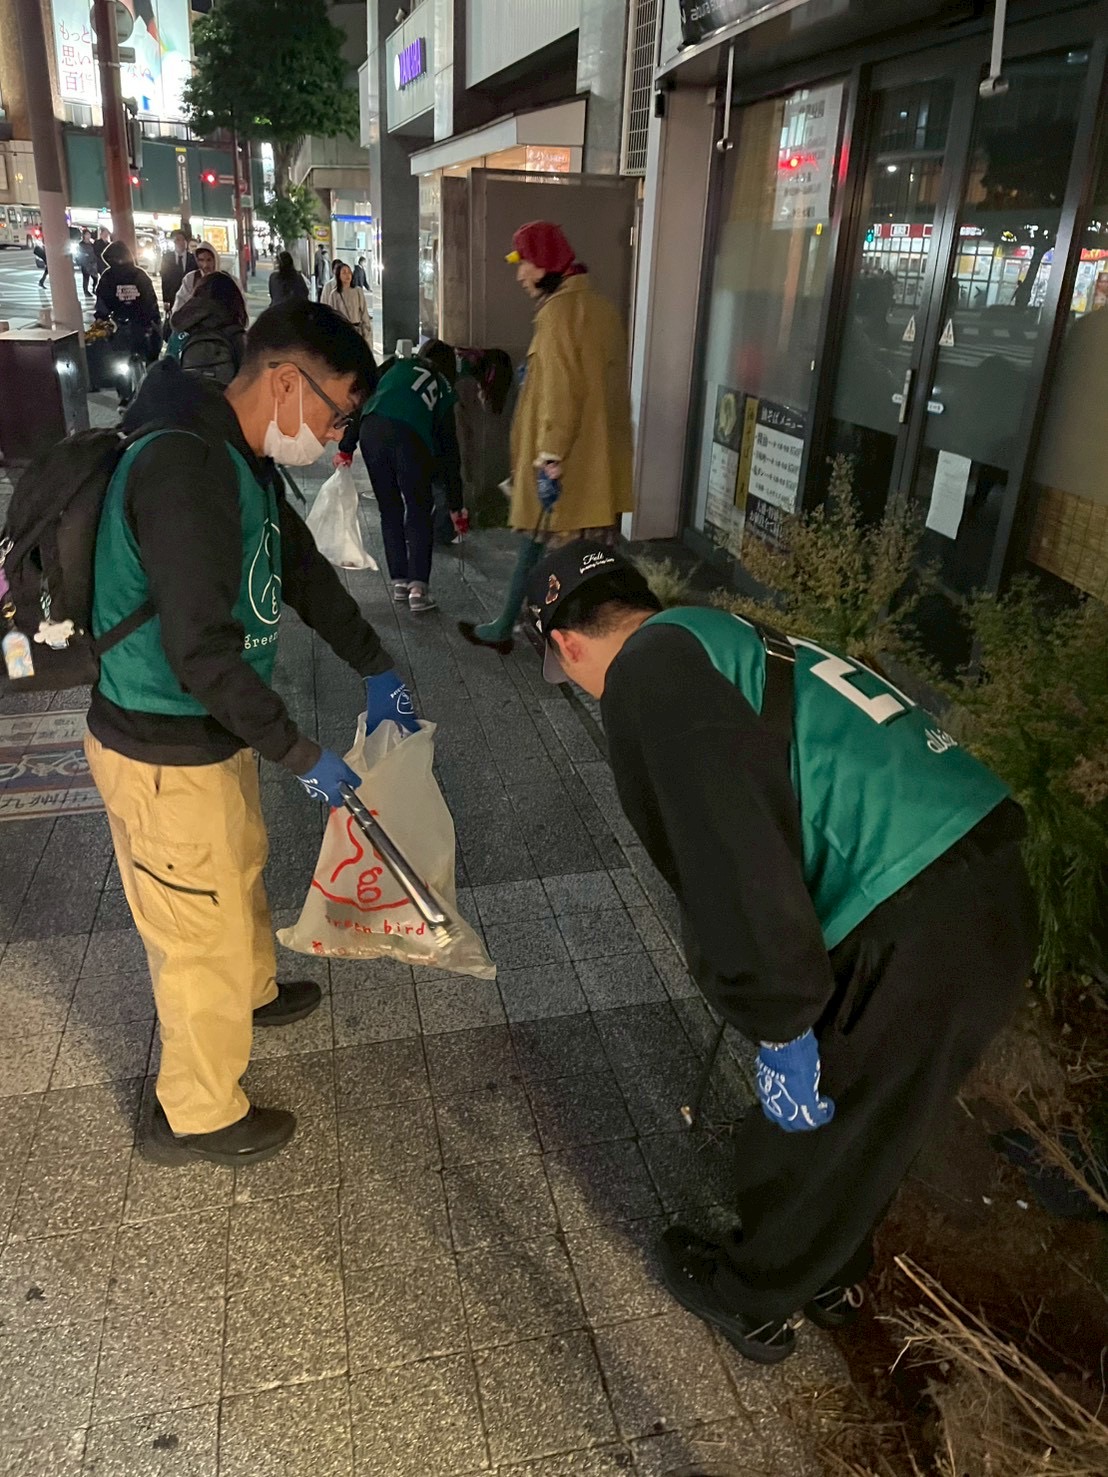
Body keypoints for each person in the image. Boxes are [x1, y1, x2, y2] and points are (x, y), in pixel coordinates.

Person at [524, 542, 1037, 1366]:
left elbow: (728, 856)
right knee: (877, 1110)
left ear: (568, 644)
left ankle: (753, 1294)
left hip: (910, 904)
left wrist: (780, 1017)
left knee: (816, 1119)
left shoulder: (648, 675)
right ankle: (830, 1269)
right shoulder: (721, 633)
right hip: (985, 872)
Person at [86, 300, 418, 1170]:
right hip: (160, 742)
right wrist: (303, 752)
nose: (334, 432)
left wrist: (375, 663)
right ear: (284, 380)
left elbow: (301, 572)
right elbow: (198, 650)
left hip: (212, 733)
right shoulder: (182, 466)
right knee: (193, 929)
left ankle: (255, 989)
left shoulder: (241, 454)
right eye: (336, 411)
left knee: (236, 866)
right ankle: (193, 1115)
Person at [458, 221, 633, 654]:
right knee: (555, 554)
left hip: (565, 469)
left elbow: (561, 393)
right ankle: (507, 627)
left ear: (548, 263)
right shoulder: (603, 310)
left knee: (567, 567)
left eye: (526, 263)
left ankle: (574, 647)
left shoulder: (558, 314)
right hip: (598, 468)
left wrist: (549, 458)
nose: (521, 275)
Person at [334, 339, 464, 613]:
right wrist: (455, 504)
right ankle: (419, 590)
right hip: (411, 439)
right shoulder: (442, 385)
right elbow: (449, 448)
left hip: (372, 432)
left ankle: (399, 583)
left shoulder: (396, 365)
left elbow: (365, 401)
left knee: (389, 510)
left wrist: (346, 447)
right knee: (418, 510)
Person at [93, 240, 162, 404]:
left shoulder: (140, 276)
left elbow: (150, 301)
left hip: (141, 326)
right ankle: (124, 396)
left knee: (151, 361)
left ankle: (152, 392)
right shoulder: (108, 278)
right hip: (121, 328)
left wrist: (152, 322)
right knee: (117, 365)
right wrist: (101, 320)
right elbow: (102, 301)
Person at [167, 271, 249, 385]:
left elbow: (166, 374)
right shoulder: (238, 336)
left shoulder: (181, 330)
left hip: (185, 400)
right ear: (235, 300)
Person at [321, 259, 373, 346]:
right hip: (342, 332)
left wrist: (367, 331)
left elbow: (364, 313)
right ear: (338, 275)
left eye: (349, 272)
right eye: (344, 272)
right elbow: (331, 315)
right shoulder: (334, 294)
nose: (347, 275)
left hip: (357, 331)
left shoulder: (358, 291)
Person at [171, 241, 227, 316]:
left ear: (215, 260)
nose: (205, 265)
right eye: (201, 260)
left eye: (209, 260)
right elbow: (179, 305)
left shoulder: (226, 280)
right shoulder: (190, 279)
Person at [159, 228, 198, 315]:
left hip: (189, 296)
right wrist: (165, 300)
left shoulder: (192, 258)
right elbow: (165, 279)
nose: (180, 242)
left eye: (183, 240)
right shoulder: (167, 257)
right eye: (177, 240)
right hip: (173, 295)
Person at [76, 228, 99, 297]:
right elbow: (80, 253)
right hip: (85, 263)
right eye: (87, 234)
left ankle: (93, 288)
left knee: (95, 277)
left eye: (89, 234)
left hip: (92, 262)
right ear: (83, 235)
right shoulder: (81, 244)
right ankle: (86, 291)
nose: (88, 236)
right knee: (86, 278)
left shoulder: (92, 244)